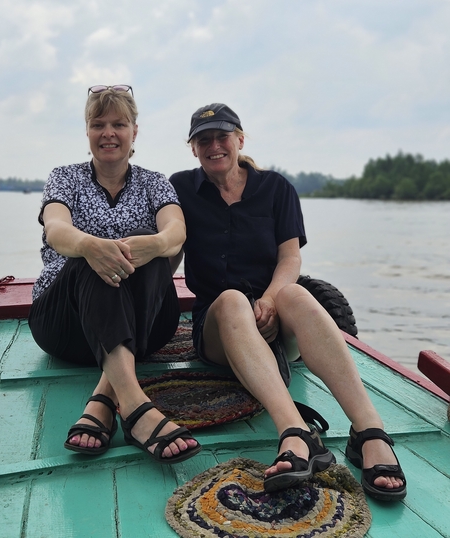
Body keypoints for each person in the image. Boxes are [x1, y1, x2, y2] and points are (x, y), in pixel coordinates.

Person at [169, 103, 406, 500]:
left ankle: (369, 430)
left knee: (295, 290)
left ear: (240, 140)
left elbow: (290, 258)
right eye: (203, 139)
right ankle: (295, 432)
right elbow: (168, 250)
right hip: (219, 326)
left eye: (222, 136)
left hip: (276, 317)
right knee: (229, 300)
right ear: (193, 149)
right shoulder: (179, 188)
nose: (214, 145)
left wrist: (271, 300)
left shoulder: (276, 188)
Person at [28, 85, 200, 464]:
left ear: (134, 131)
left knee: (153, 246)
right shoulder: (65, 177)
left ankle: (106, 397)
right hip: (67, 327)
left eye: (119, 124)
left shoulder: (155, 183)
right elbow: (56, 229)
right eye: (98, 124)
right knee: (92, 255)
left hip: (145, 324)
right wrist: (90, 246)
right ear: (87, 131)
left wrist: (152, 245)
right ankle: (136, 406)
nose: (109, 133)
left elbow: (176, 233)